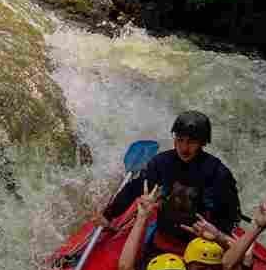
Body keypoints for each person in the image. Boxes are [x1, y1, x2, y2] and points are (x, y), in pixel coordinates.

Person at [100, 110, 242, 258]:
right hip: (163, 238)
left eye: (191, 142)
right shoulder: (162, 162)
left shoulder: (218, 173)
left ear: (203, 143)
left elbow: (232, 216)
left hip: (201, 245)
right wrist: (109, 214)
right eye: (180, 140)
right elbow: (135, 188)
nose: (184, 148)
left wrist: (219, 236)